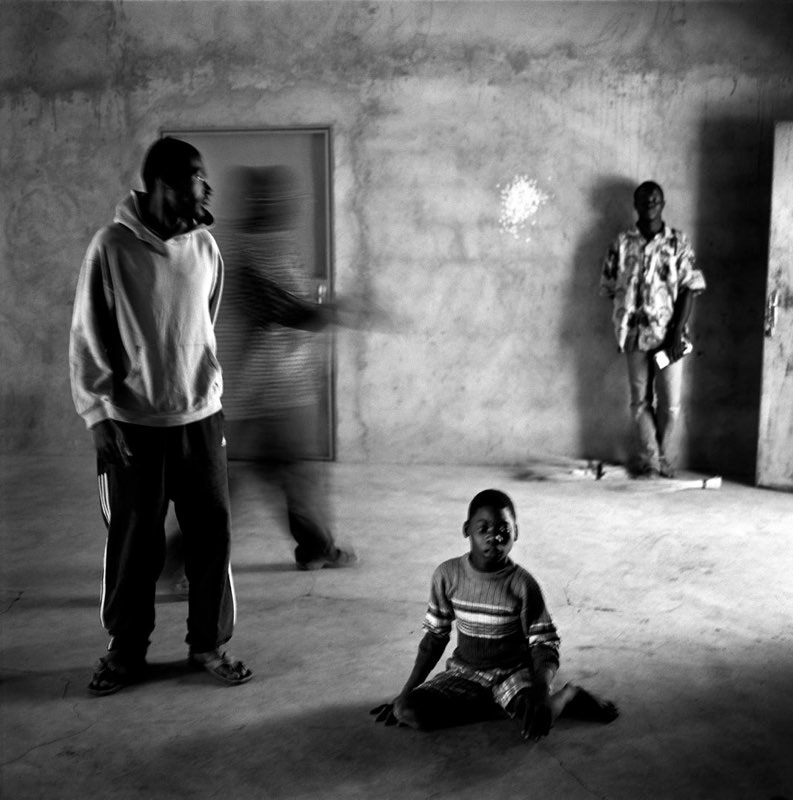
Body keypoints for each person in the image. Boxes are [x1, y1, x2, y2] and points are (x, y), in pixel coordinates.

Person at [69, 136, 252, 695]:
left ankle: (207, 644)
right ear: (163, 185)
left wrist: (201, 387)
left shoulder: (205, 248)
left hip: (201, 421)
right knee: (134, 544)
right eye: (197, 176)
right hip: (133, 428)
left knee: (211, 539)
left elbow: (202, 325)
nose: (207, 188)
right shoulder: (111, 247)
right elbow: (87, 334)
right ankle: (126, 651)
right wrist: (99, 415)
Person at [371, 489, 618, 740]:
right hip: (465, 673)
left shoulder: (523, 585)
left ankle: (568, 695)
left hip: (513, 674)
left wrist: (541, 692)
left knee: (537, 717)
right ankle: (497, 705)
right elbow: (434, 638)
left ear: (516, 533)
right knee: (407, 711)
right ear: (467, 530)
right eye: (483, 529)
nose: (494, 537)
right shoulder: (447, 575)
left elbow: (544, 644)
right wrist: (405, 693)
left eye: (503, 530)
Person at [213, 165, 356, 570]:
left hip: (281, 391)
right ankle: (179, 563)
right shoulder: (245, 254)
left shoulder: (273, 245)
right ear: (263, 203)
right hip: (264, 395)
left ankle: (316, 548)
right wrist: (337, 310)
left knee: (294, 477)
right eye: (282, 199)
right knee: (231, 487)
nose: (292, 206)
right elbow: (287, 310)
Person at [600, 181, 706, 478]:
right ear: (635, 204)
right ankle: (653, 462)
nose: (649, 204)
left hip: (669, 337)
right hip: (633, 335)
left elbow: (690, 287)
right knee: (640, 402)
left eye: (655, 199)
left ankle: (658, 457)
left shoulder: (677, 242)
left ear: (663, 203)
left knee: (671, 405)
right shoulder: (621, 243)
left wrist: (677, 331)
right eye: (644, 200)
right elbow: (610, 286)